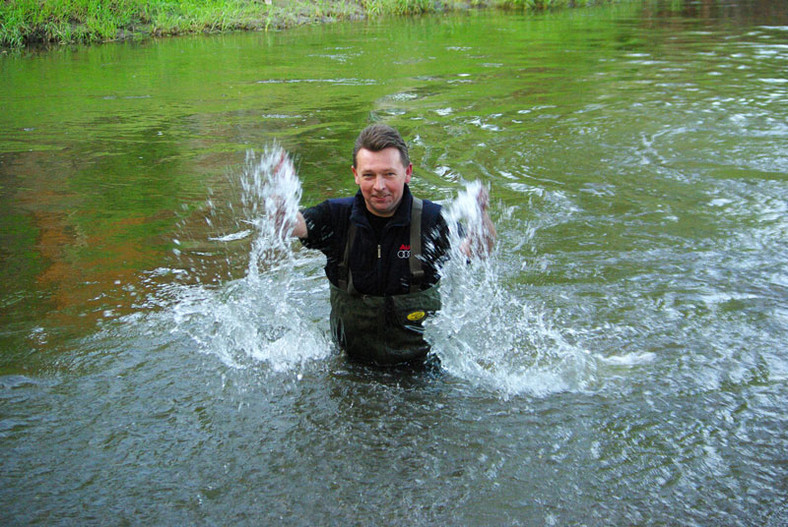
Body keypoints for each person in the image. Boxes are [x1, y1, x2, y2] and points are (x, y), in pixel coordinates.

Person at [289, 124, 495, 366]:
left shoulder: (432, 220)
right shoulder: (336, 216)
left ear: (407, 173)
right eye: (369, 175)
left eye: (389, 174)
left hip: (421, 367)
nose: (379, 186)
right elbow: (296, 225)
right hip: (350, 363)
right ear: (355, 174)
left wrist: (481, 216)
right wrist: (280, 205)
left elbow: (478, 250)